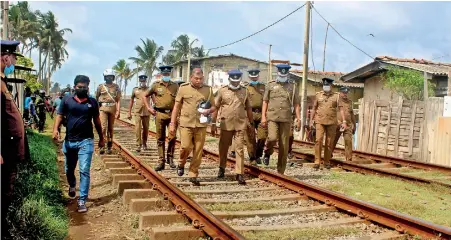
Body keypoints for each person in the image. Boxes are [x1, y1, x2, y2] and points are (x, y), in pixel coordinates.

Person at [53, 75, 104, 213]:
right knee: (69, 169)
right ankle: (72, 185)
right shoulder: (67, 100)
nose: (82, 89)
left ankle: (82, 200)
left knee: (84, 170)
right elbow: (59, 115)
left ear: (88, 87)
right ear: (75, 87)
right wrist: (55, 130)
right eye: (79, 87)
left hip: (86, 141)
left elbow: (97, 121)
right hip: (69, 141)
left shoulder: (92, 102)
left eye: (85, 87)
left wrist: (101, 137)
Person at [1, 40, 30, 238]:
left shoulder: (2, 82)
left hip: (9, 151)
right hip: (4, 152)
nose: (13, 61)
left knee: (6, 195)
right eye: (12, 57)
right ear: (5, 57)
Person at [169, 68, 215, 185]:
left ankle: (193, 173)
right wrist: (172, 124)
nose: (199, 81)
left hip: (201, 124)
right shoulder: (183, 88)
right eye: (196, 79)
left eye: (201, 78)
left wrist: (209, 110)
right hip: (186, 123)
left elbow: (214, 106)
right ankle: (181, 163)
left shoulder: (208, 90)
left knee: (198, 150)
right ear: (191, 78)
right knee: (185, 146)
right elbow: (176, 107)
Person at [211, 69, 253, 184]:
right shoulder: (222, 91)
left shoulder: (245, 91)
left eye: (237, 81)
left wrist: (251, 122)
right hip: (226, 124)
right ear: (229, 79)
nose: (235, 83)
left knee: (239, 148)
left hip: (240, 124)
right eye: (233, 81)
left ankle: (239, 173)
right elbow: (216, 107)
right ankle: (221, 167)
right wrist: (213, 123)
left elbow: (249, 107)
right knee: (223, 147)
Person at [261, 64, 301, 174]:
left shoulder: (293, 86)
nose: (282, 75)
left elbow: (297, 104)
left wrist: (298, 118)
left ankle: (281, 170)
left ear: (287, 74)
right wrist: (263, 117)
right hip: (272, 117)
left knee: (284, 144)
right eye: (281, 73)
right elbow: (265, 101)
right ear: (278, 72)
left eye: (285, 74)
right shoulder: (270, 85)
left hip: (286, 118)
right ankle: (267, 152)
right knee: (272, 138)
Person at [143, 66, 179, 170]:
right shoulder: (155, 85)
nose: (166, 76)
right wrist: (149, 108)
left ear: (170, 74)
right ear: (162, 74)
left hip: (172, 115)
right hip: (159, 114)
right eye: (165, 74)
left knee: (172, 137)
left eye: (168, 74)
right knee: (160, 138)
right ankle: (161, 160)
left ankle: (170, 158)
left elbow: (179, 100)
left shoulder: (175, 86)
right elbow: (145, 96)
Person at [309, 78, 346, 170]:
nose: (325, 87)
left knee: (329, 142)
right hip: (319, 121)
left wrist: (344, 121)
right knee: (318, 140)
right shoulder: (318, 95)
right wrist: (311, 120)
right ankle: (317, 161)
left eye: (327, 85)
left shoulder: (337, 96)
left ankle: (326, 161)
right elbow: (314, 108)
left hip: (332, 122)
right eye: (324, 85)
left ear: (331, 86)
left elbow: (341, 109)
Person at [95, 68, 121, 154]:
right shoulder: (100, 87)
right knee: (103, 128)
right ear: (104, 77)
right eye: (107, 77)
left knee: (110, 128)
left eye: (110, 77)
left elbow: (118, 100)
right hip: (103, 109)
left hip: (112, 109)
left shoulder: (116, 87)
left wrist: (118, 111)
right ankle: (101, 145)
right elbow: (96, 98)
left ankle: (109, 146)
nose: (109, 78)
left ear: (113, 77)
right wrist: (96, 110)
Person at [244, 69, 267, 164]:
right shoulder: (245, 88)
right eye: (252, 76)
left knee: (262, 137)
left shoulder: (263, 87)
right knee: (250, 137)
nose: (254, 77)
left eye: (255, 76)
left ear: (258, 76)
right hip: (249, 114)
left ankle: (258, 154)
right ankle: (252, 157)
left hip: (261, 114)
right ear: (249, 77)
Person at [128, 75, 151, 152]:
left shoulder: (149, 89)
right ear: (139, 81)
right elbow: (131, 100)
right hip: (137, 111)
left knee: (146, 129)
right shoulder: (135, 90)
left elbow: (154, 99)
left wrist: (154, 109)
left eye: (144, 81)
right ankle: (138, 145)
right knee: (137, 128)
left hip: (147, 112)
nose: (142, 82)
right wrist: (129, 112)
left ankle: (144, 143)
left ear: (146, 81)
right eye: (141, 81)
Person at [332, 86, 356, 161]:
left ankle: (349, 159)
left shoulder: (349, 101)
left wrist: (354, 125)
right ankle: (328, 155)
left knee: (348, 141)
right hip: (337, 124)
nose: (345, 94)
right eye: (343, 92)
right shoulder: (336, 100)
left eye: (346, 93)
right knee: (333, 140)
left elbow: (351, 114)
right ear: (340, 92)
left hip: (348, 125)